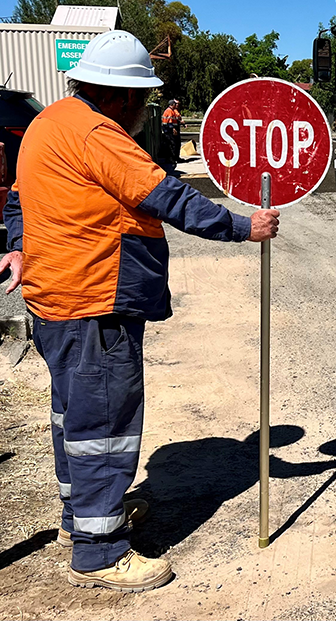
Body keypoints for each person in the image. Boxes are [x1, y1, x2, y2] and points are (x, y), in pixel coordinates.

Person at [0, 30, 279, 593]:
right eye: (142, 100)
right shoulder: (99, 134)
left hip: (55, 301)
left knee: (74, 419)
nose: (144, 109)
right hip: (95, 301)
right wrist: (242, 226)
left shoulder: (46, 125)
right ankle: (100, 553)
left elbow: (16, 199)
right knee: (104, 424)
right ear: (122, 96)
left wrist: (15, 242)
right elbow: (168, 197)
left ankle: (80, 522)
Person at [161, 99, 182, 167]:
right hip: (168, 130)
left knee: (172, 144)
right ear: (172, 104)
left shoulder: (170, 110)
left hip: (167, 129)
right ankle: (171, 159)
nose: (176, 105)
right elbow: (170, 121)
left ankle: (172, 158)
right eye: (175, 104)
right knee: (171, 144)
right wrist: (173, 129)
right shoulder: (170, 111)